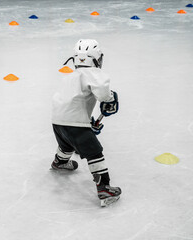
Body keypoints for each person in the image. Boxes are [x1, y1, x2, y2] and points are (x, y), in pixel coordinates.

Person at [51, 39, 121, 207]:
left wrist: (86, 124)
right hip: (75, 122)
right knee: (94, 152)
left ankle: (60, 162)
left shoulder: (69, 76)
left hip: (57, 120)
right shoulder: (95, 73)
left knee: (67, 143)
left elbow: (70, 103)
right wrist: (110, 98)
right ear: (96, 58)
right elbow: (103, 94)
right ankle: (104, 188)